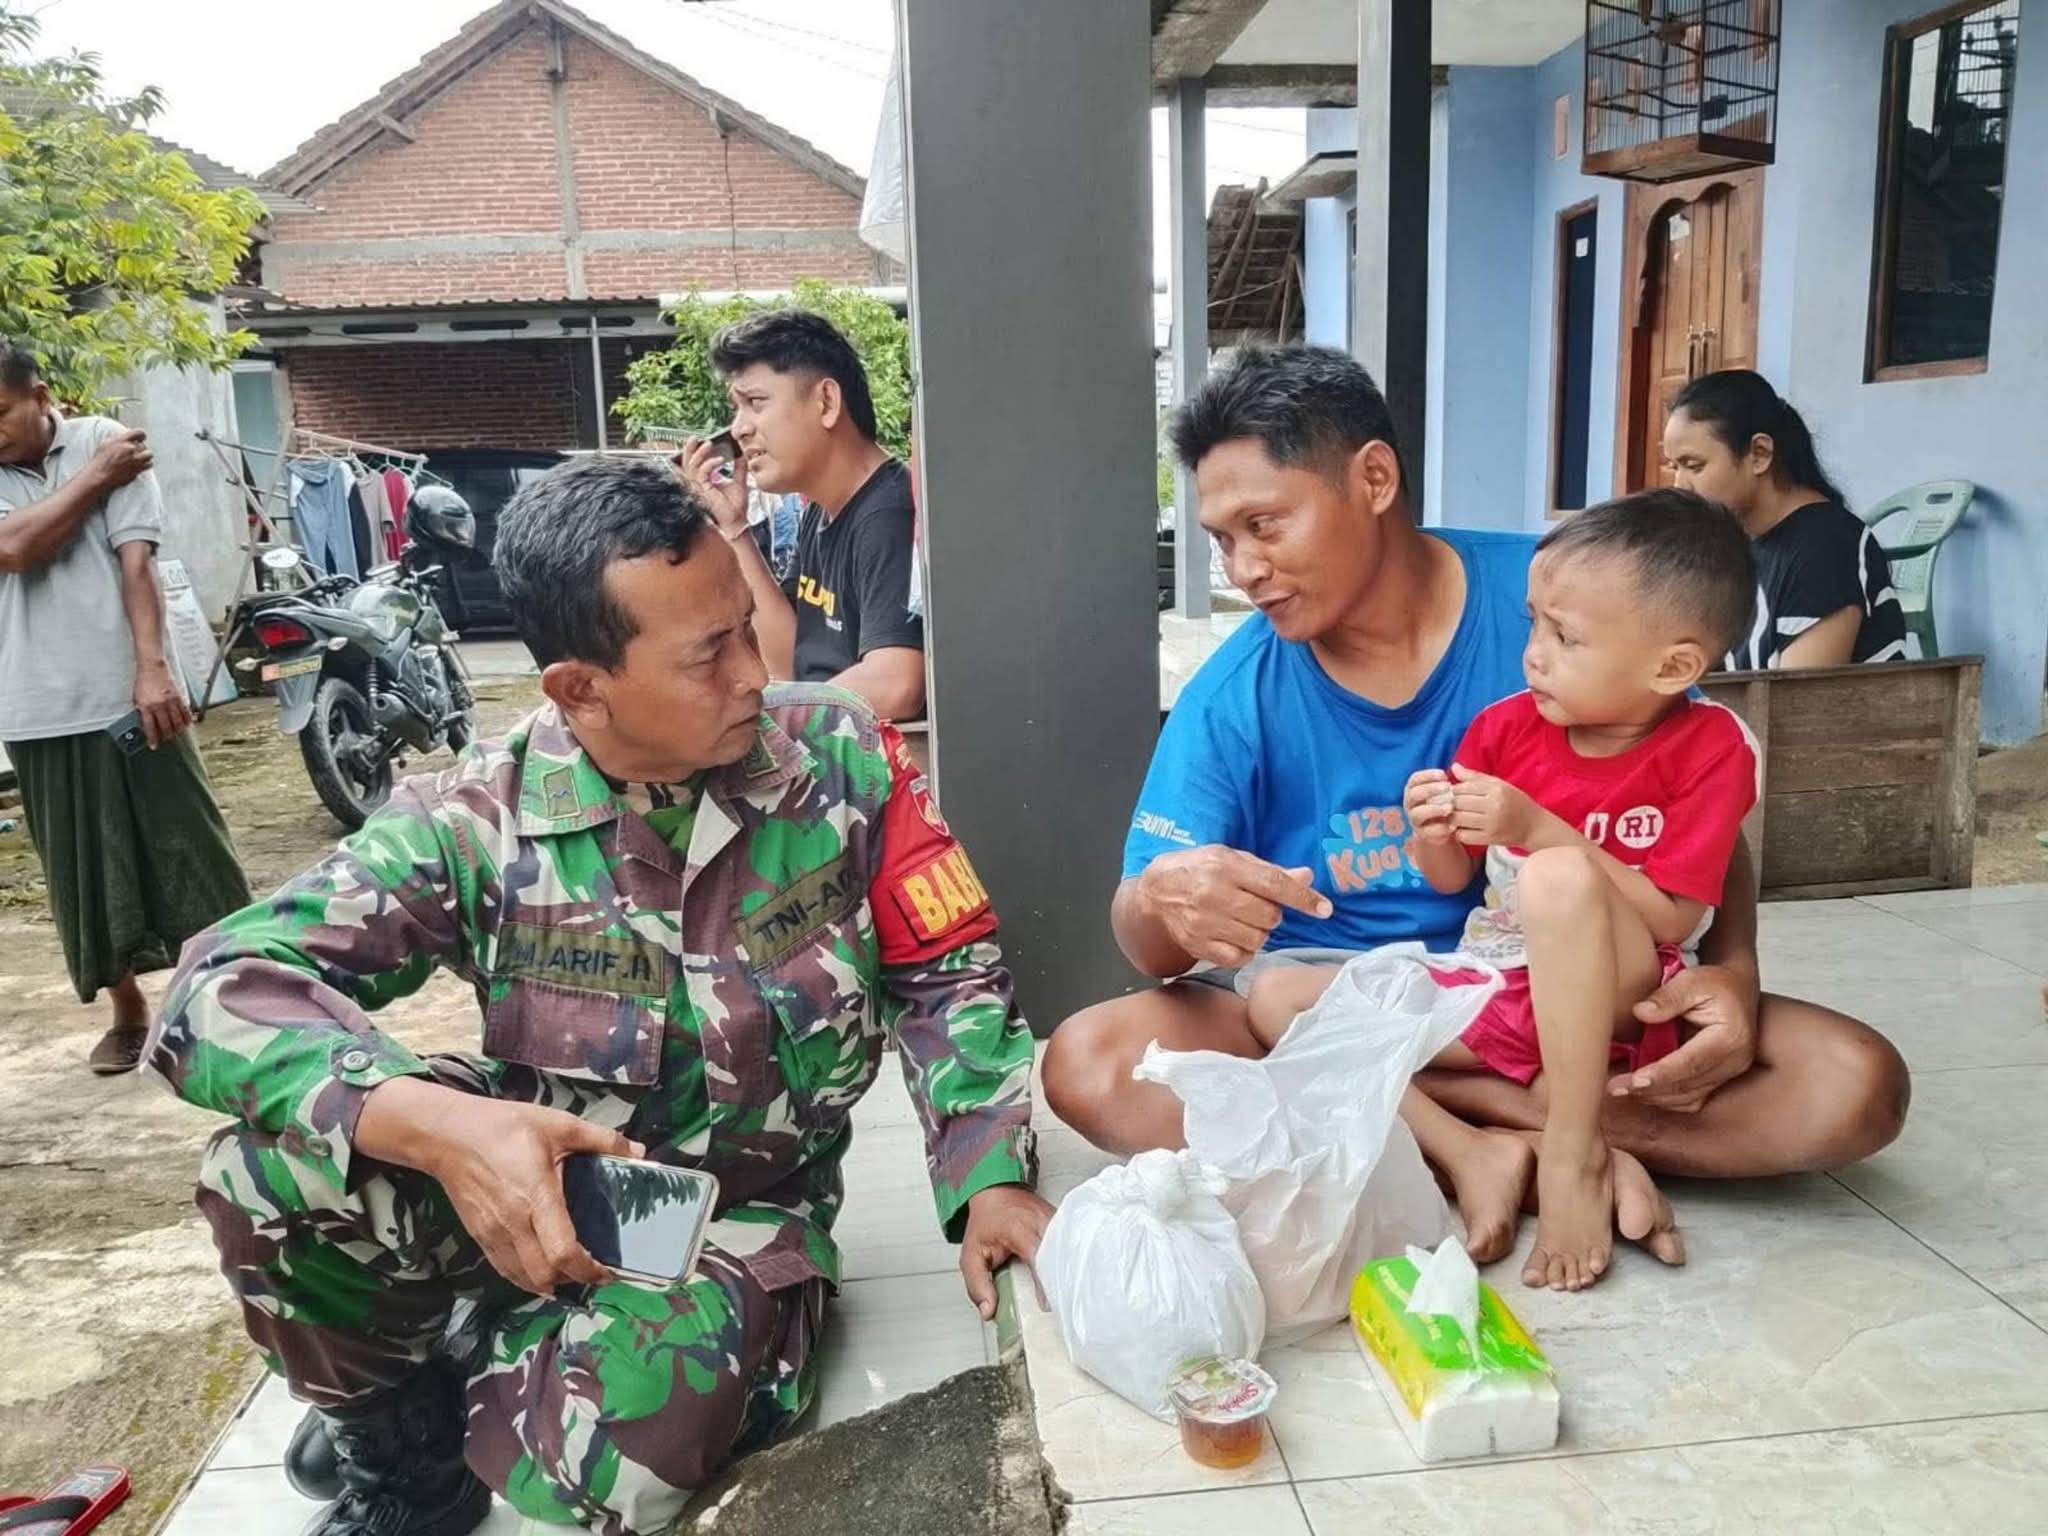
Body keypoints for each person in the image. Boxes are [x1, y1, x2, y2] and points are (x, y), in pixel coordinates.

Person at [146, 457, 1049, 1536]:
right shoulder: (473, 819)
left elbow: (946, 971)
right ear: (580, 689)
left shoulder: (838, 760)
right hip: (533, 1184)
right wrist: (440, 1128)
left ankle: (467, 1367)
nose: (755, 673)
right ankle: (400, 1450)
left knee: (614, 1447)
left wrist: (986, 1170)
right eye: (706, 653)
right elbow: (212, 987)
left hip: (735, 1220)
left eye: (743, 626)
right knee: (264, 1174)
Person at [1041, 346, 1909, 1267]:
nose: (1244, 567)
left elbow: (1696, 792)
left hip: (1572, 990)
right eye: (1222, 539)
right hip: (1351, 1004)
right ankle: (1533, 1141)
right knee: (1094, 1064)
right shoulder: (1235, 695)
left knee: (1853, 1086)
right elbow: (1145, 939)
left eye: (1265, 524)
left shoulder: (1561, 601)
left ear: (1373, 477)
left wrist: (1732, 968)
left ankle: (1427, 1140)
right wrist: (1167, 894)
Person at [1244, 490, 1760, 1291]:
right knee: (1279, 998)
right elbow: (1453, 879)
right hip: (1496, 980)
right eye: (1532, 624)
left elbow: (1675, 917)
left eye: (1567, 637)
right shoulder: (1504, 729)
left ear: (1673, 666)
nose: (1535, 654)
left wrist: (1544, 830)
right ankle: (1467, 1143)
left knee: (1556, 876)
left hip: (1622, 988)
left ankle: (1571, 1153)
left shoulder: (1711, 747)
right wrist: (1432, 829)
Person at [0, 340, 249, 1075]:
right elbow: (15, 550)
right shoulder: (101, 465)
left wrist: (152, 669)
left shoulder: (106, 441)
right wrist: (94, 484)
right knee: (83, 873)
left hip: (129, 692)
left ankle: (227, 1001)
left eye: (0, 411)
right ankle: (129, 1008)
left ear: (41, 395)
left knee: (191, 850)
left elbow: (133, 560)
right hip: (35, 701)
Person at [678, 309, 925, 721]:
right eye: (736, 408)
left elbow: (896, 682)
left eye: (755, 402)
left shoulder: (888, 513)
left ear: (826, 402)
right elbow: (788, 662)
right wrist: (734, 526)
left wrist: (764, 718)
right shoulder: (821, 511)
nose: (738, 429)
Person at [1663, 369, 1907, 670]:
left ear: (1759, 454)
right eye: (1674, 467)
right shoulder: (1733, 545)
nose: (1679, 486)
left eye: (1694, 466)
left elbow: (1799, 706)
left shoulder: (1825, 548)